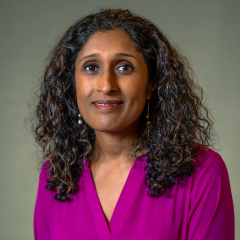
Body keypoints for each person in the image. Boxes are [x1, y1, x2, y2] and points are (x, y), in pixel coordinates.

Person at [33, 8, 234, 240]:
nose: (106, 85)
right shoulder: (57, 175)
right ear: (72, 83)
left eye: (124, 67)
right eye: (91, 67)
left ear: (151, 84)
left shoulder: (202, 171)